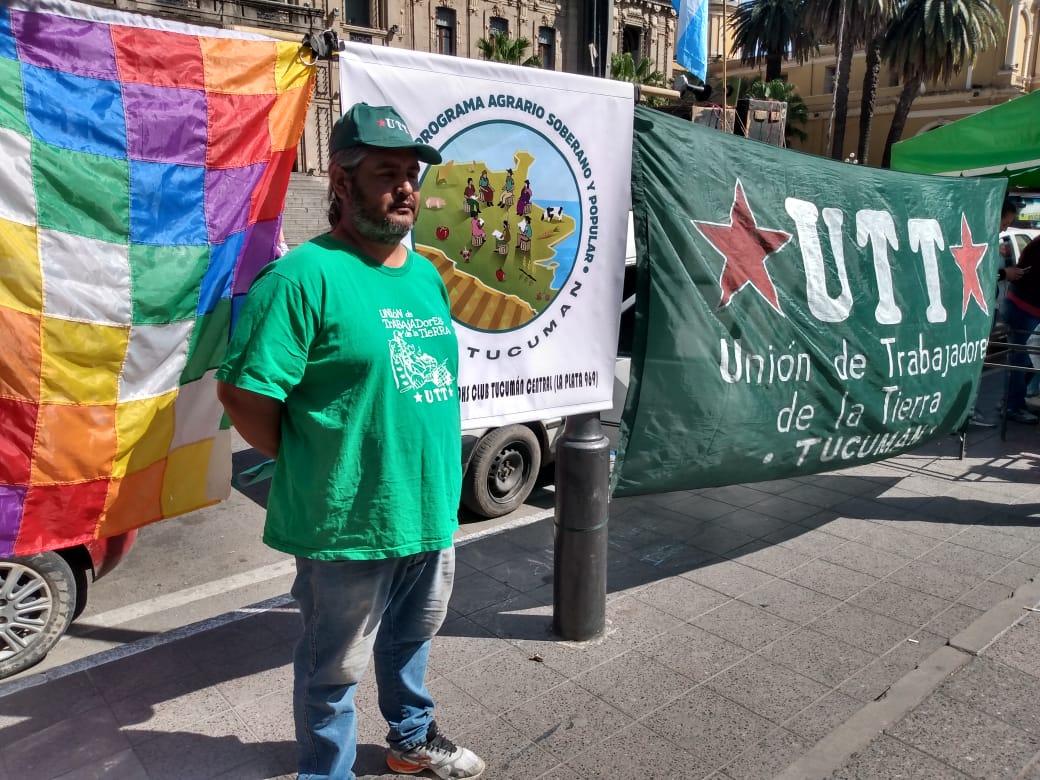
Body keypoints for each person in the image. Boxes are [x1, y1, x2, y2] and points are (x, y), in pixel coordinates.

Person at [216, 103, 485, 780]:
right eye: (385, 172)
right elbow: (244, 395)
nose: (405, 188)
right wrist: (315, 456)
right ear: (340, 180)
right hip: (345, 521)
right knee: (332, 670)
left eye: (411, 174)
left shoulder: (423, 273)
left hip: (427, 508)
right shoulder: (302, 278)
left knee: (410, 639)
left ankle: (411, 741)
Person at [999, 198, 1040, 423]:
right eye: (1006, 223)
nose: (1005, 228)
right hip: (1024, 309)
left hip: (1023, 307)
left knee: (1025, 359)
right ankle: (1011, 405)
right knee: (1021, 359)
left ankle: (1012, 401)